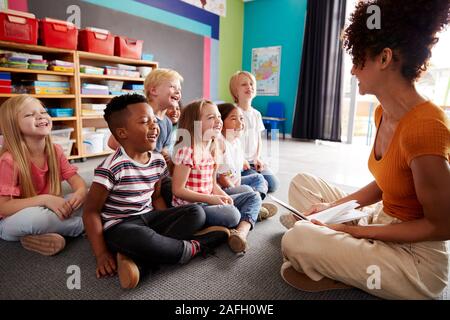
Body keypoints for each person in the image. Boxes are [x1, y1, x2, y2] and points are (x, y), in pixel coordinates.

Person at [280, 0, 450, 299]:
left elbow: (442, 226)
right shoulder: (382, 113)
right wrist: (333, 210)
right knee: (301, 185)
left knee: (298, 239)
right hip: (382, 218)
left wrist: (357, 232)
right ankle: (335, 245)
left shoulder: (427, 127)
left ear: (384, 58)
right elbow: (385, 184)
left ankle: (333, 252)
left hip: (415, 258)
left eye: (359, 59)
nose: (352, 70)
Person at [83, 94, 229, 289]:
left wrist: (164, 221)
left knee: (196, 212)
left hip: (148, 217)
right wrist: (101, 254)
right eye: (145, 122)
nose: (154, 126)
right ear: (122, 132)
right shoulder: (110, 168)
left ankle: (141, 260)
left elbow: (157, 196)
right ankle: (197, 246)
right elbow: (90, 211)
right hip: (121, 225)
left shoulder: (158, 161)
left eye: (154, 120)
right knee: (140, 237)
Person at [171, 99, 262, 253]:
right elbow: (178, 190)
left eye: (219, 116)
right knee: (232, 214)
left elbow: (212, 185)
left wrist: (225, 197)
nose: (218, 121)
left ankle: (241, 232)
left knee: (253, 196)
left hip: (209, 199)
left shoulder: (213, 149)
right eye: (211, 117)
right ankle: (243, 217)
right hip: (192, 208)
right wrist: (212, 199)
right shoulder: (187, 150)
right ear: (195, 123)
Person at [0, 95, 85, 256]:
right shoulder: (9, 160)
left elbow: (76, 181)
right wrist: (45, 199)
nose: (40, 116)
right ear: (13, 126)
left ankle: (38, 237)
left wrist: (81, 192)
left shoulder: (55, 150)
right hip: (9, 221)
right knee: (37, 219)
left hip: (48, 208)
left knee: (90, 198)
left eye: (43, 111)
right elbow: (3, 207)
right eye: (29, 114)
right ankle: (85, 226)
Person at [217, 102, 278, 220]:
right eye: (234, 119)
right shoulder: (220, 143)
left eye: (241, 118)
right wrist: (238, 191)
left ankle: (254, 203)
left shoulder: (236, 141)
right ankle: (252, 206)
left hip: (235, 181)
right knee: (247, 190)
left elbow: (236, 160)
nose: (240, 123)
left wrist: (244, 160)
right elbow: (222, 178)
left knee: (259, 178)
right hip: (225, 187)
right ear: (222, 124)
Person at [229, 71, 279, 193]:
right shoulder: (232, 113)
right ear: (235, 91)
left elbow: (258, 139)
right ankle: (250, 189)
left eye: (251, 84)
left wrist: (257, 158)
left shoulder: (256, 114)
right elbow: (230, 141)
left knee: (273, 184)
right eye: (244, 84)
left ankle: (252, 184)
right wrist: (241, 160)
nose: (249, 87)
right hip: (240, 163)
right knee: (262, 182)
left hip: (254, 161)